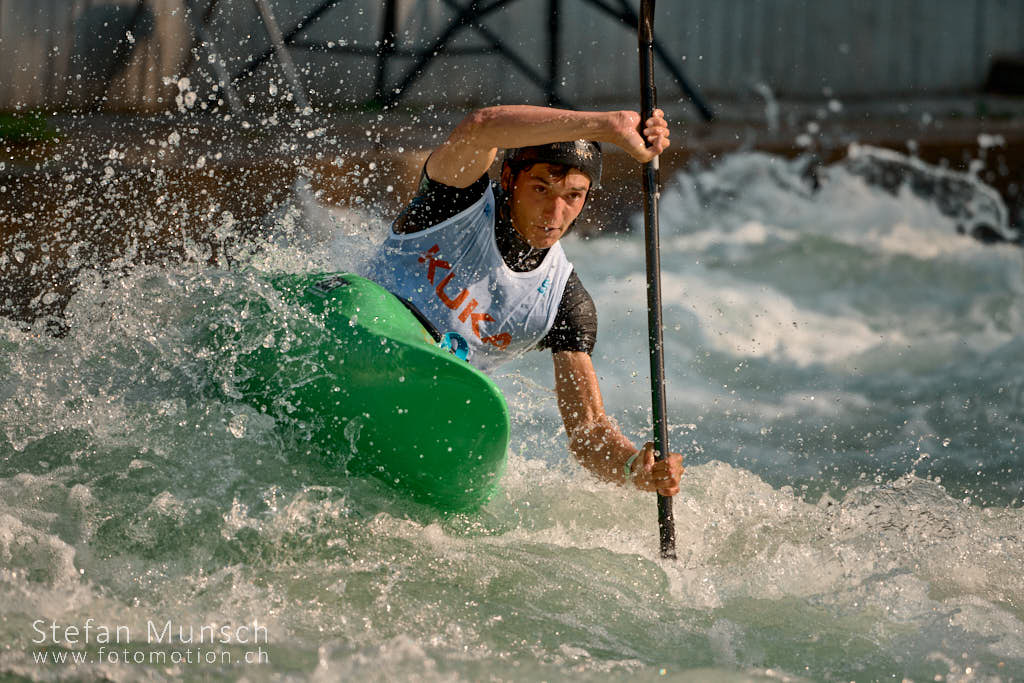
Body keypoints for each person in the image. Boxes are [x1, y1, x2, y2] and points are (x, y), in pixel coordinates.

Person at [366, 105, 684, 496]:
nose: (555, 212)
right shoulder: (455, 198)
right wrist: (607, 127)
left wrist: (635, 468)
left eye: (573, 195)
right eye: (541, 189)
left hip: (424, 405)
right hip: (363, 326)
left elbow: (587, 431)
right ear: (508, 178)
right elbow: (481, 126)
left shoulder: (564, 301)